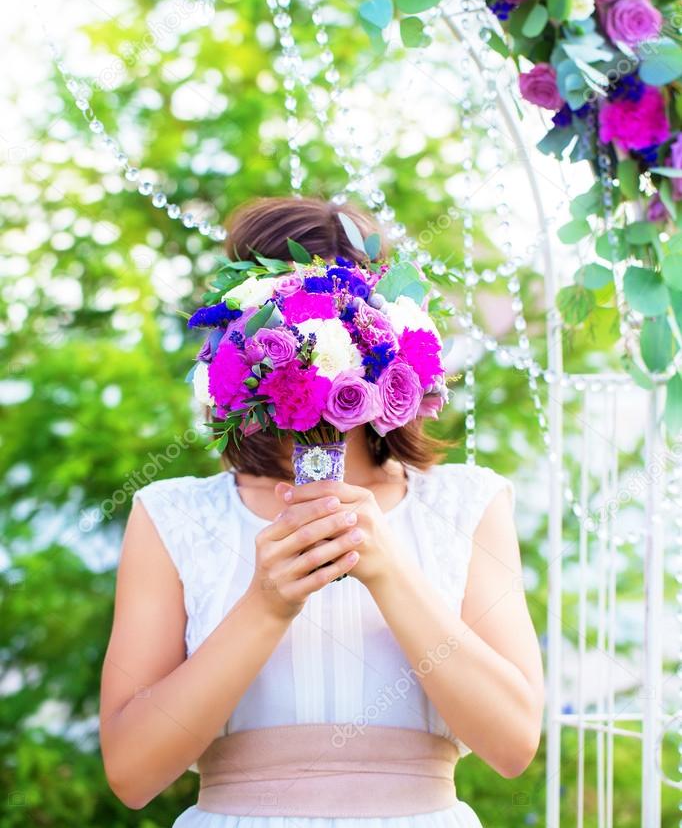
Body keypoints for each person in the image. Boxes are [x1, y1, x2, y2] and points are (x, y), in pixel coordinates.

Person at [99, 197, 544, 827]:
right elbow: (132, 772)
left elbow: (513, 743)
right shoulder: (173, 516)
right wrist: (266, 603)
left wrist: (389, 572)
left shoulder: (466, 503)